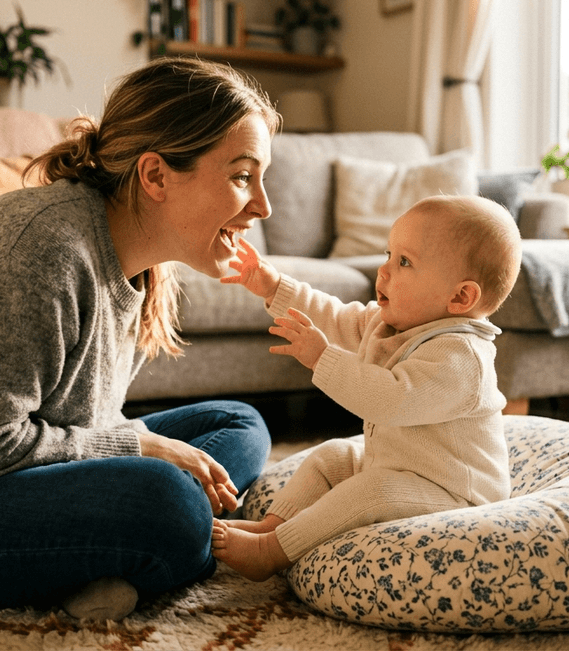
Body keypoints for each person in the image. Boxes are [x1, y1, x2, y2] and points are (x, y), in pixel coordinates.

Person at [0, 57, 278, 620]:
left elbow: (77, 419)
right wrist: (138, 447)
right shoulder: (45, 251)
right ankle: (149, 547)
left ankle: (108, 558)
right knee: (171, 503)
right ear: (155, 175)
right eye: (241, 176)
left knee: (238, 425)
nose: (263, 205)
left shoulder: (142, 261)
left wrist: (135, 449)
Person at [211, 194, 522, 581]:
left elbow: (391, 400)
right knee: (332, 456)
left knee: (373, 490)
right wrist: (275, 288)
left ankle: (272, 552)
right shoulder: (393, 323)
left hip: (454, 493)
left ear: (460, 297)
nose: (384, 270)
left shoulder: (461, 357)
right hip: (399, 466)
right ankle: (273, 526)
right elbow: (338, 318)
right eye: (389, 253)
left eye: (404, 262)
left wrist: (322, 358)